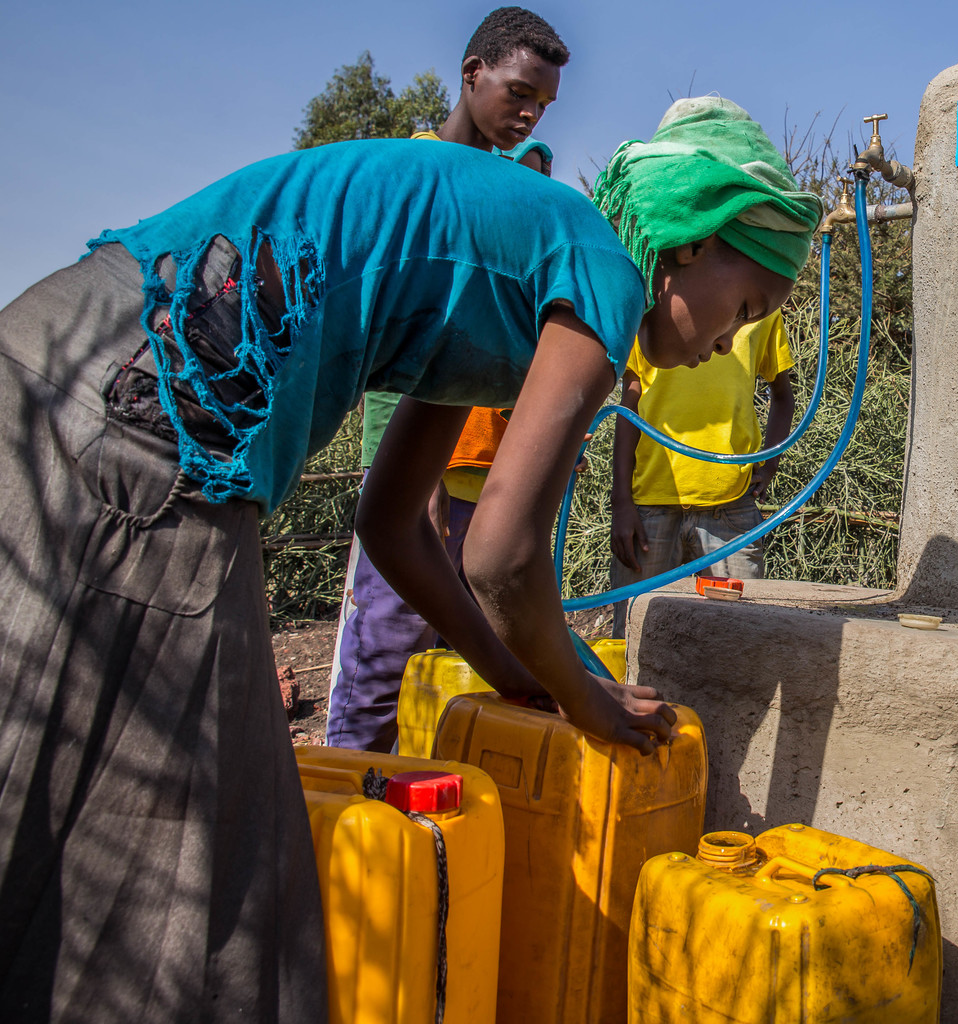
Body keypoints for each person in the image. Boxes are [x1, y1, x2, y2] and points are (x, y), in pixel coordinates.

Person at [0, 96, 821, 1021]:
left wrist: (513, 673)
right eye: (746, 305)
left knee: (50, 782)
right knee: (191, 869)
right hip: (142, 423)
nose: (728, 342)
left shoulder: (519, 275)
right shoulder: (601, 271)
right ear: (690, 241)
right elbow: (503, 556)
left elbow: (392, 525)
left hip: (63, 361)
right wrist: (586, 700)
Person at [327, 6, 566, 752]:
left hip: (475, 462)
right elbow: (396, 337)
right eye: (520, 93)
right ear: (473, 75)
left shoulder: (497, 190)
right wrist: (417, 487)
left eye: (544, 105)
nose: (529, 113)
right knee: (385, 642)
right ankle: (344, 793)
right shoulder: (416, 175)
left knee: (461, 639)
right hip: (414, 465)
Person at [609, 310, 795, 637]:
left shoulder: (762, 308)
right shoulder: (654, 305)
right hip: (650, 508)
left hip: (730, 509)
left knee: (742, 636)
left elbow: (782, 396)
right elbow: (630, 405)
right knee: (634, 635)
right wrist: (622, 501)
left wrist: (770, 465)